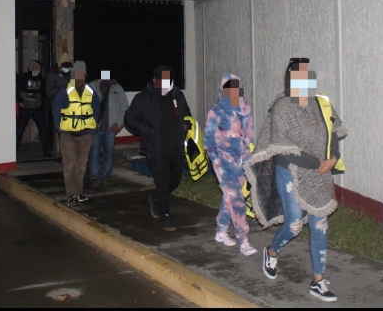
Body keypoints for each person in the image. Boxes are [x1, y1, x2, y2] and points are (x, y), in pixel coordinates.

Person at [243, 57, 346, 303]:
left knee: (320, 224)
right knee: (295, 225)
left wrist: (332, 158)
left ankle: (318, 281)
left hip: (320, 172)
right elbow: (282, 146)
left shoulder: (321, 103)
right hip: (290, 170)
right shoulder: (282, 107)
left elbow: (333, 134)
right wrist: (317, 163)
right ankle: (271, 252)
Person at [124, 64, 192, 232]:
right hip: (155, 148)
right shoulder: (143, 98)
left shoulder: (178, 96)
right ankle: (165, 215)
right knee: (162, 182)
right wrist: (147, 129)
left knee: (175, 179)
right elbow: (129, 118)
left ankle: (155, 199)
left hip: (175, 146)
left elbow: (187, 114)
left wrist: (185, 124)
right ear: (155, 80)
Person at [203, 73, 257, 256]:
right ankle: (244, 240)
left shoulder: (246, 108)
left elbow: (250, 133)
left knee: (231, 197)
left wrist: (251, 155)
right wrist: (217, 160)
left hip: (242, 159)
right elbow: (208, 140)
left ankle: (221, 230)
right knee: (236, 199)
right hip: (223, 160)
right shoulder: (216, 111)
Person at [52, 60, 100, 207]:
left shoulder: (91, 92)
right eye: (76, 75)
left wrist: (93, 129)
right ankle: (70, 194)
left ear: (85, 76)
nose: (79, 78)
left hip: (85, 135)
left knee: (81, 167)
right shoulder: (64, 91)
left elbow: (97, 110)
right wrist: (60, 129)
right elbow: (56, 110)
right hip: (68, 135)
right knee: (69, 165)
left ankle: (78, 194)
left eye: (81, 75)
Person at [88, 69, 130, 188]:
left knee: (109, 153)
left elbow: (125, 108)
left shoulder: (118, 88)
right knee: (94, 153)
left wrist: (119, 124)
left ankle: (106, 176)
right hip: (95, 128)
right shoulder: (92, 86)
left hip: (110, 128)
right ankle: (94, 177)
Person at [16, 60, 51, 158]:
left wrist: (41, 101)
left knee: (42, 129)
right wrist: (22, 101)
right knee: (19, 129)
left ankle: (46, 151)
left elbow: (44, 93)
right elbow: (17, 90)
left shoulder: (40, 79)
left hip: (36, 108)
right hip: (25, 108)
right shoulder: (24, 77)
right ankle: (14, 150)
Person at [46, 52, 74, 152]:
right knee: (62, 132)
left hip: (71, 107)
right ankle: (64, 155)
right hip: (58, 107)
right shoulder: (52, 74)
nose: (67, 69)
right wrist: (61, 87)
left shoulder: (71, 74)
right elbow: (49, 92)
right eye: (65, 67)